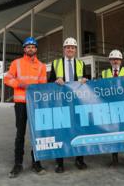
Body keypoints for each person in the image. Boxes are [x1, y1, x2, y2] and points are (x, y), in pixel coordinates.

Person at [4, 37, 47, 178]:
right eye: (28, 47)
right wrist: (19, 84)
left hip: (35, 104)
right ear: (24, 49)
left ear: (36, 49)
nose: (31, 49)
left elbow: (43, 85)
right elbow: (7, 78)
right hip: (21, 104)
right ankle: (18, 164)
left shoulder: (41, 66)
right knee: (20, 134)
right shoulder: (16, 63)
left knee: (37, 135)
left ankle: (36, 162)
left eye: (33, 47)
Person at [48, 37, 88, 173]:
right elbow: (49, 82)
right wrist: (55, 80)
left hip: (77, 102)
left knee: (79, 130)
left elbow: (88, 80)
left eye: (72, 47)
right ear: (64, 49)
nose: (70, 49)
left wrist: (85, 80)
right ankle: (60, 162)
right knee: (61, 130)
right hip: (61, 102)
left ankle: (79, 159)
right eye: (67, 47)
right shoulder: (56, 63)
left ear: (76, 50)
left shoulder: (81, 64)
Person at [101, 49, 124, 168]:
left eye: (118, 59)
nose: (115, 61)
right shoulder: (104, 73)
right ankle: (114, 158)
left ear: (121, 61)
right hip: (111, 108)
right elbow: (100, 89)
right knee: (113, 132)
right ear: (110, 61)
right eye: (113, 59)